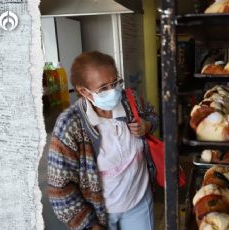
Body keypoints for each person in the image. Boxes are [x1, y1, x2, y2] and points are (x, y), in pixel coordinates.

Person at [47, 51, 157, 230]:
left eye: (116, 82)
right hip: (101, 216)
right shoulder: (70, 124)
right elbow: (60, 189)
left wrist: (147, 126)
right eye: (104, 88)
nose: (113, 91)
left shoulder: (131, 100)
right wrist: (90, 225)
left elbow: (153, 116)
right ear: (84, 91)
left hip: (140, 202)